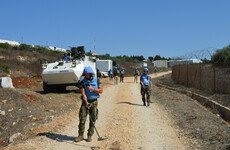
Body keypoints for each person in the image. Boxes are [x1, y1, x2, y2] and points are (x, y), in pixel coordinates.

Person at [75, 67, 103, 142]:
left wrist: (92, 89)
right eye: (85, 75)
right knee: (82, 119)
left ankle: (90, 135)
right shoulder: (82, 82)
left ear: (91, 74)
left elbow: (101, 90)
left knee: (93, 119)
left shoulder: (97, 80)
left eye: (88, 75)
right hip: (85, 102)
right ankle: (80, 135)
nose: (86, 76)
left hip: (94, 102)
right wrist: (86, 102)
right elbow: (83, 93)